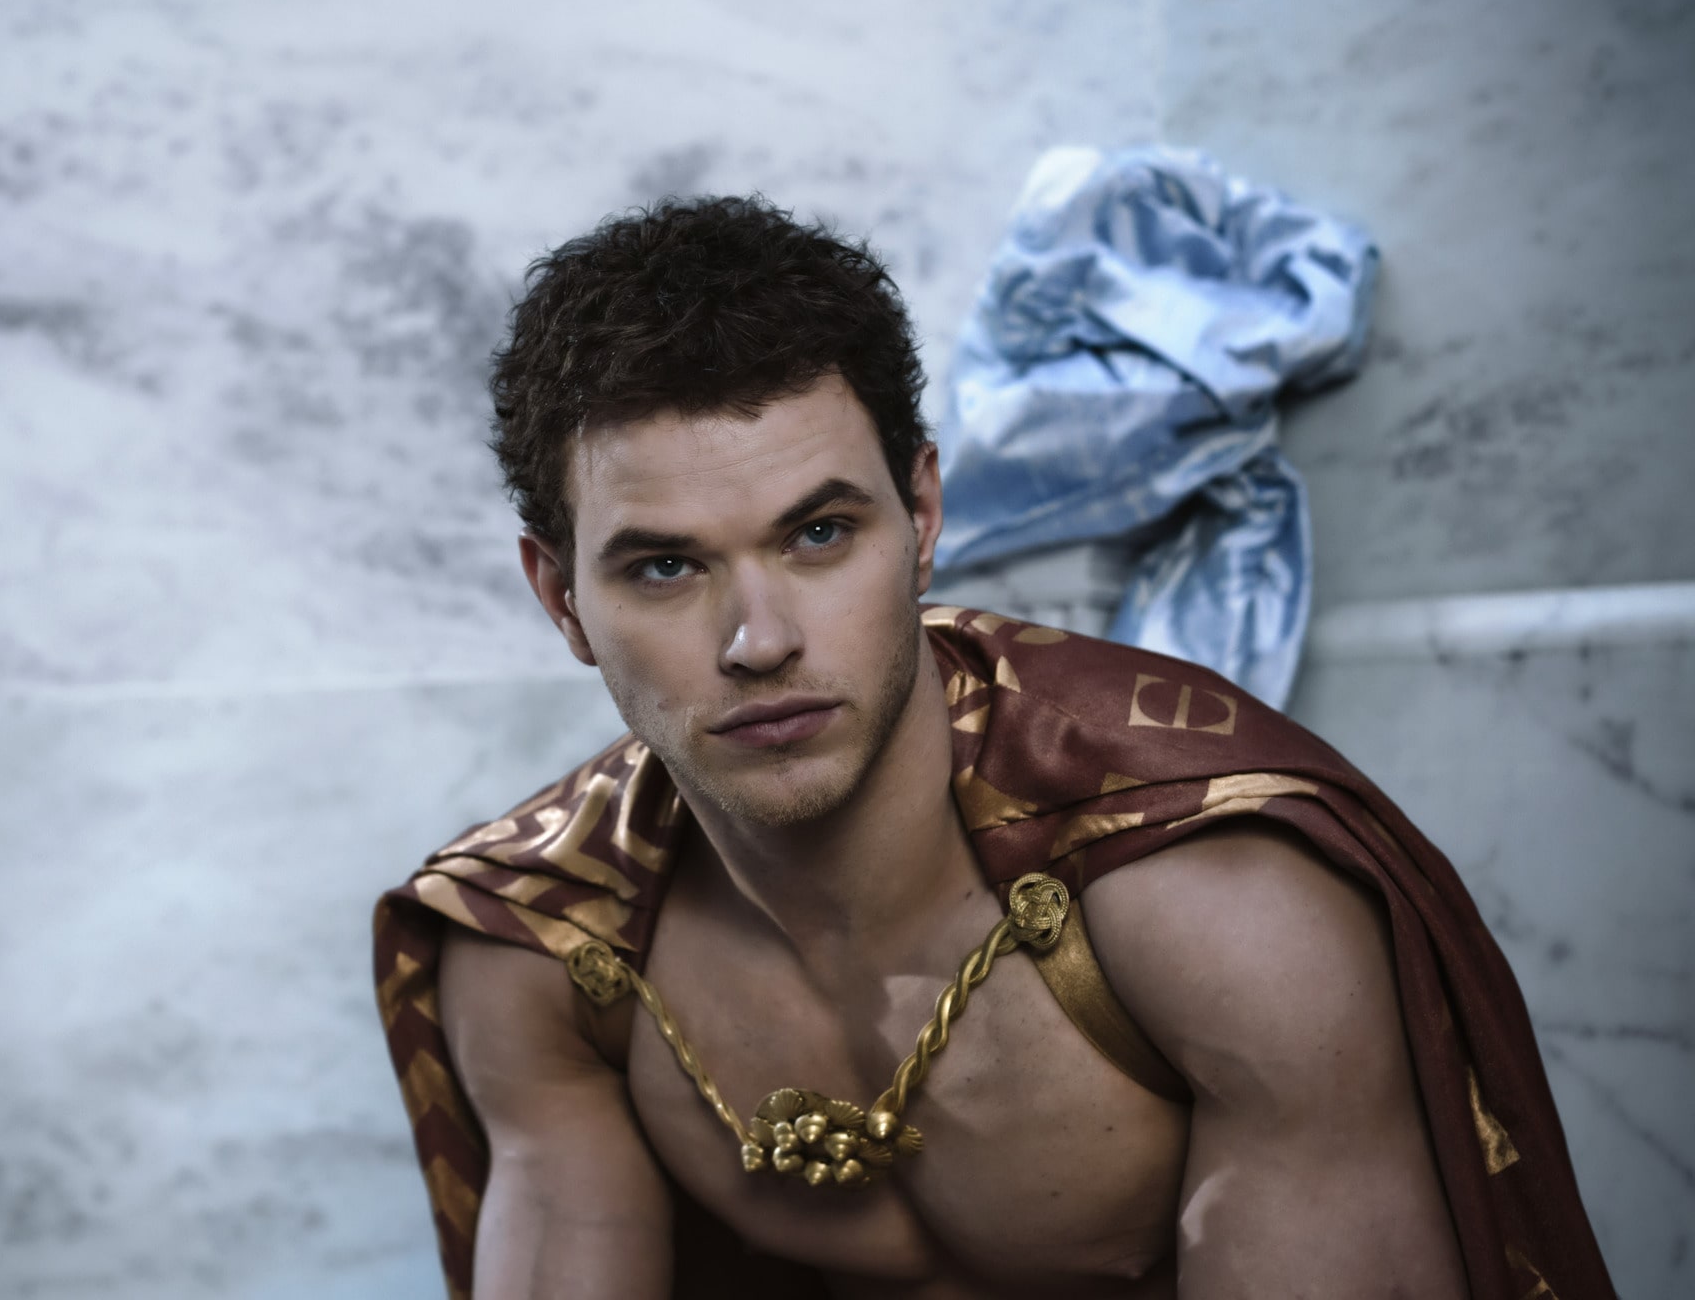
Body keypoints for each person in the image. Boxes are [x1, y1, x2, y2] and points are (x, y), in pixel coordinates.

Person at [373, 197, 1611, 1299]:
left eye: (817, 534)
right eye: (662, 566)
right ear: (561, 600)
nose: (758, 640)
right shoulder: (542, 953)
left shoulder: (1219, 908)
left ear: (919, 516)